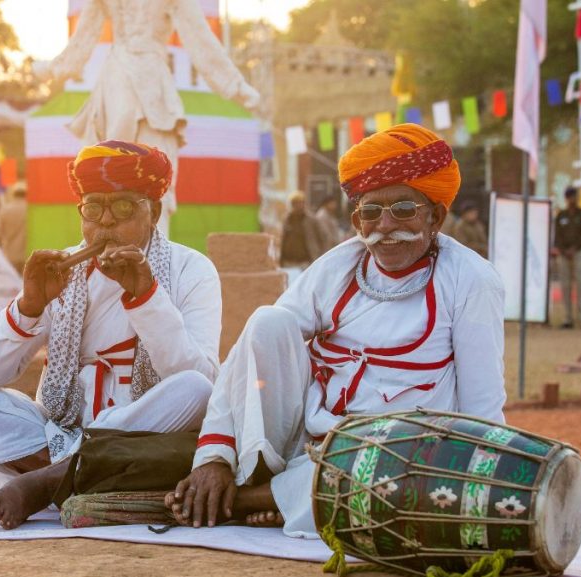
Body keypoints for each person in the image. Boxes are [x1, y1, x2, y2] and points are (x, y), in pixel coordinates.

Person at [167, 123, 506, 534]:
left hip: (397, 454)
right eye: (370, 212)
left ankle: (250, 499)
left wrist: (482, 476)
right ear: (356, 220)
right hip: (308, 441)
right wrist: (214, 457)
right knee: (266, 321)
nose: (385, 224)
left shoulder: (472, 280)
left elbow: (482, 410)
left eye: (403, 209)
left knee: (401, 477)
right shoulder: (338, 266)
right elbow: (249, 353)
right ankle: (271, 485)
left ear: (435, 215)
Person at [0, 140, 222, 529]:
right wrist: (30, 305)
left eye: (122, 207)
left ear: (152, 211)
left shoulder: (192, 270)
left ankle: (51, 479)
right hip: (62, 429)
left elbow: (201, 379)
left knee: (195, 391)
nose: (105, 221)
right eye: (93, 207)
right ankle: (76, 473)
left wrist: (147, 298)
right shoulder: (62, 269)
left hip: (143, 425)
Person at [35, 0, 261, 233]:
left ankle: (148, 253)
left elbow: (198, 37)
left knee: (135, 170)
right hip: (134, 81)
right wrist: (235, 85)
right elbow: (199, 37)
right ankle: (123, 250)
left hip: (133, 81)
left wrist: (54, 69)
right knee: (132, 171)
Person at [553, 187, 581, 330]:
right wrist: (564, 250)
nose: (574, 200)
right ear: (567, 198)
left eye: (575, 197)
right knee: (565, 286)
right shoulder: (561, 216)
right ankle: (567, 318)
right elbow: (557, 235)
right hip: (564, 254)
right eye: (571, 197)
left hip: (578, 253)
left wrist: (574, 248)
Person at [280, 191, 335, 267]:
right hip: (289, 262)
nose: (298, 205)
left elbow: (324, 237)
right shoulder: (287, 219)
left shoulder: (311, 220)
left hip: (306, 262)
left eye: (300, 203)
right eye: (295, 203)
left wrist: (322, 256)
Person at [0, 180, 29, 272]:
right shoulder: (33, 211)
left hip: (10, 257)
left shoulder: (4, 210)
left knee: (13, 286)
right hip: (29, 256)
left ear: (13, 194)